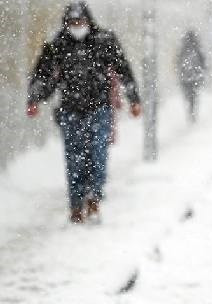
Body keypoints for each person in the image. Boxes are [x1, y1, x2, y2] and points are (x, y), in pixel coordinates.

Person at [27, 2, 141, 224]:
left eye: (80, 22)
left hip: (100, 108)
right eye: (73, 23)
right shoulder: (57, 45)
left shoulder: (104, 41)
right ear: (66, 24)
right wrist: (35, 98)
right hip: (70, 111)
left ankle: (94, 198)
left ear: (89, 21)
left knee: (98, 155)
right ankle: (76, 204)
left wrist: (134, 99)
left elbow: (123, 69)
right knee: (74, 159)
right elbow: (42, 75)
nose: (77, 26)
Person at [176, 30, 206, 124]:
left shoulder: (183, 49)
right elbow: (203, 62)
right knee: (194, 95)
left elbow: (178, 62)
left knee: (188, 95)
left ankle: (190, 111)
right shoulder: (197, 48)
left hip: (185, 77)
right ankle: (192, 111)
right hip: (195, 77)